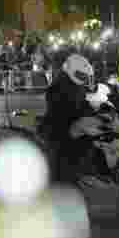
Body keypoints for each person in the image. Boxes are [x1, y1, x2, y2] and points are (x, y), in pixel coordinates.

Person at [42, 54, 97, 185]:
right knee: (65, 160)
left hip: (70, 124)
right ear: (72, 70)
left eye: (84, 76)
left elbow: (82, 102)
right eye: (81, 75)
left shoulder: (75, 84)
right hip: (58, 129)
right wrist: (81, 112)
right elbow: (62, 109)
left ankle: (82, 171)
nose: (83, 78)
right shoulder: (58, 86)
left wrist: (94, 109)